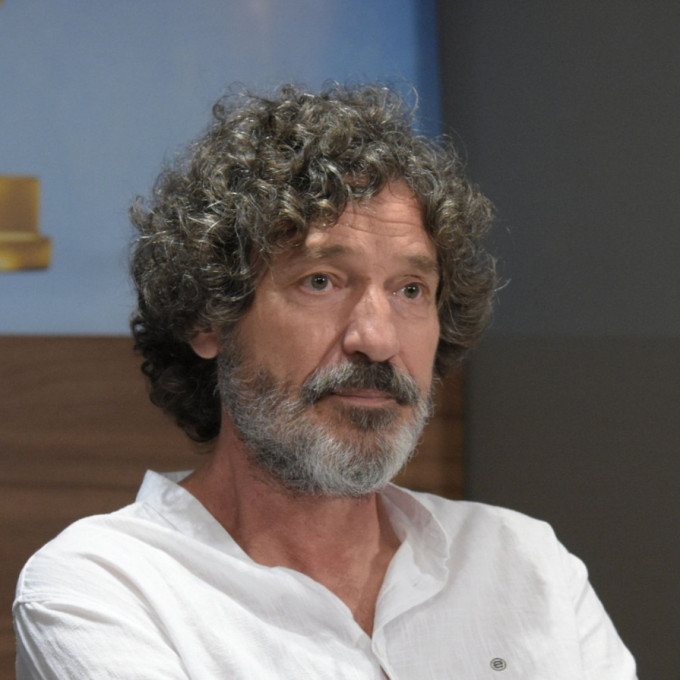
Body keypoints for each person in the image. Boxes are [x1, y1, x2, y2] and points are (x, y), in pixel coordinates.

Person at [14, 83, 637, 679]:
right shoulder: (106, 587)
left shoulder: (527, 563)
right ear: (208, 318)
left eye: (410, 290)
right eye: (321, 281)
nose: (378, 339)